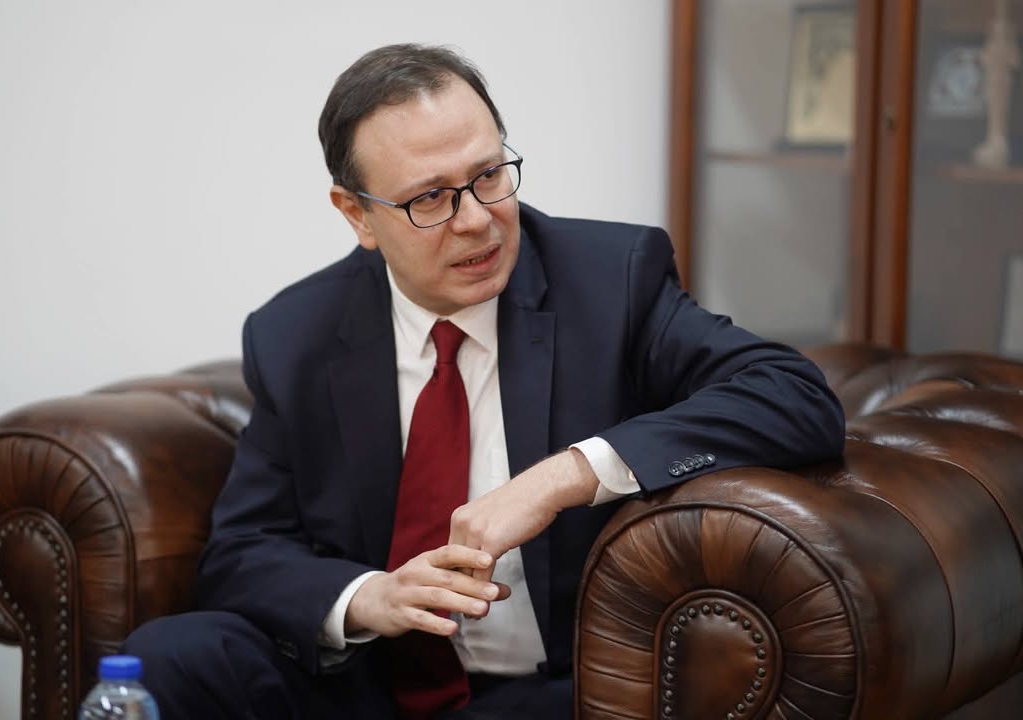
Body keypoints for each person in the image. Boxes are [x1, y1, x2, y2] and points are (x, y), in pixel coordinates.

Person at [122, 43, 845, 719]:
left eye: (489, 175)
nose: (475, 221)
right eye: (429, 199)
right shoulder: (295, 334)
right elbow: (243, 554)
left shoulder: (610, 280)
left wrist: (562, 477)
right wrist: (369, 597)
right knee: (168, 657)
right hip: (367, 684)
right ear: (357, 215)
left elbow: (792, 395)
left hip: (546, 692)